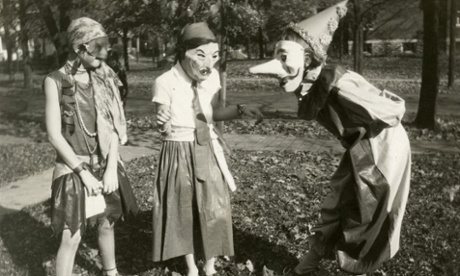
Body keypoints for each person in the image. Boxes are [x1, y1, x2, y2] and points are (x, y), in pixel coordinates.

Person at [249, 1, 411, 275]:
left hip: (382, 146)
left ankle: (354, 269)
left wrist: (377, 128)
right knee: (337, 202)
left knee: (364, 211)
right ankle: (308, 265)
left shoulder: (337, 83)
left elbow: (392, 111)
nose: (278, 67)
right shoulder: (313, 84)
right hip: (360, 146)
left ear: (308, 59)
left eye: (284, 57)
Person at [152, 22, 263, 276]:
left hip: (207, 147)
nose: (208, 63)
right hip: (178, 149)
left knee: (215, 204)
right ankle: (191, 266)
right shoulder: (164, 82)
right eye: (200, 55)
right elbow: (163, 122)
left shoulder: (211, 78)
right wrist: (163, 121)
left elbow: (211, 114)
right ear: (183, 52)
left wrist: (240, 110)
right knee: (182, 208)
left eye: (214, 56)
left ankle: (210, 265)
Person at [43, 17, 138, 276]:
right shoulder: (55, 81)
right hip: (72, 168)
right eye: (99, 46)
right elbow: (54, 135)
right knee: (71, 236)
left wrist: (109, 169)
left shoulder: (106, 78)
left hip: (103, 164)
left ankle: (111, 272)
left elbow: (115, 128)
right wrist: (83, 172)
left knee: (107, 224)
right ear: (79, 48)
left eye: (107, 45)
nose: (106, 51)